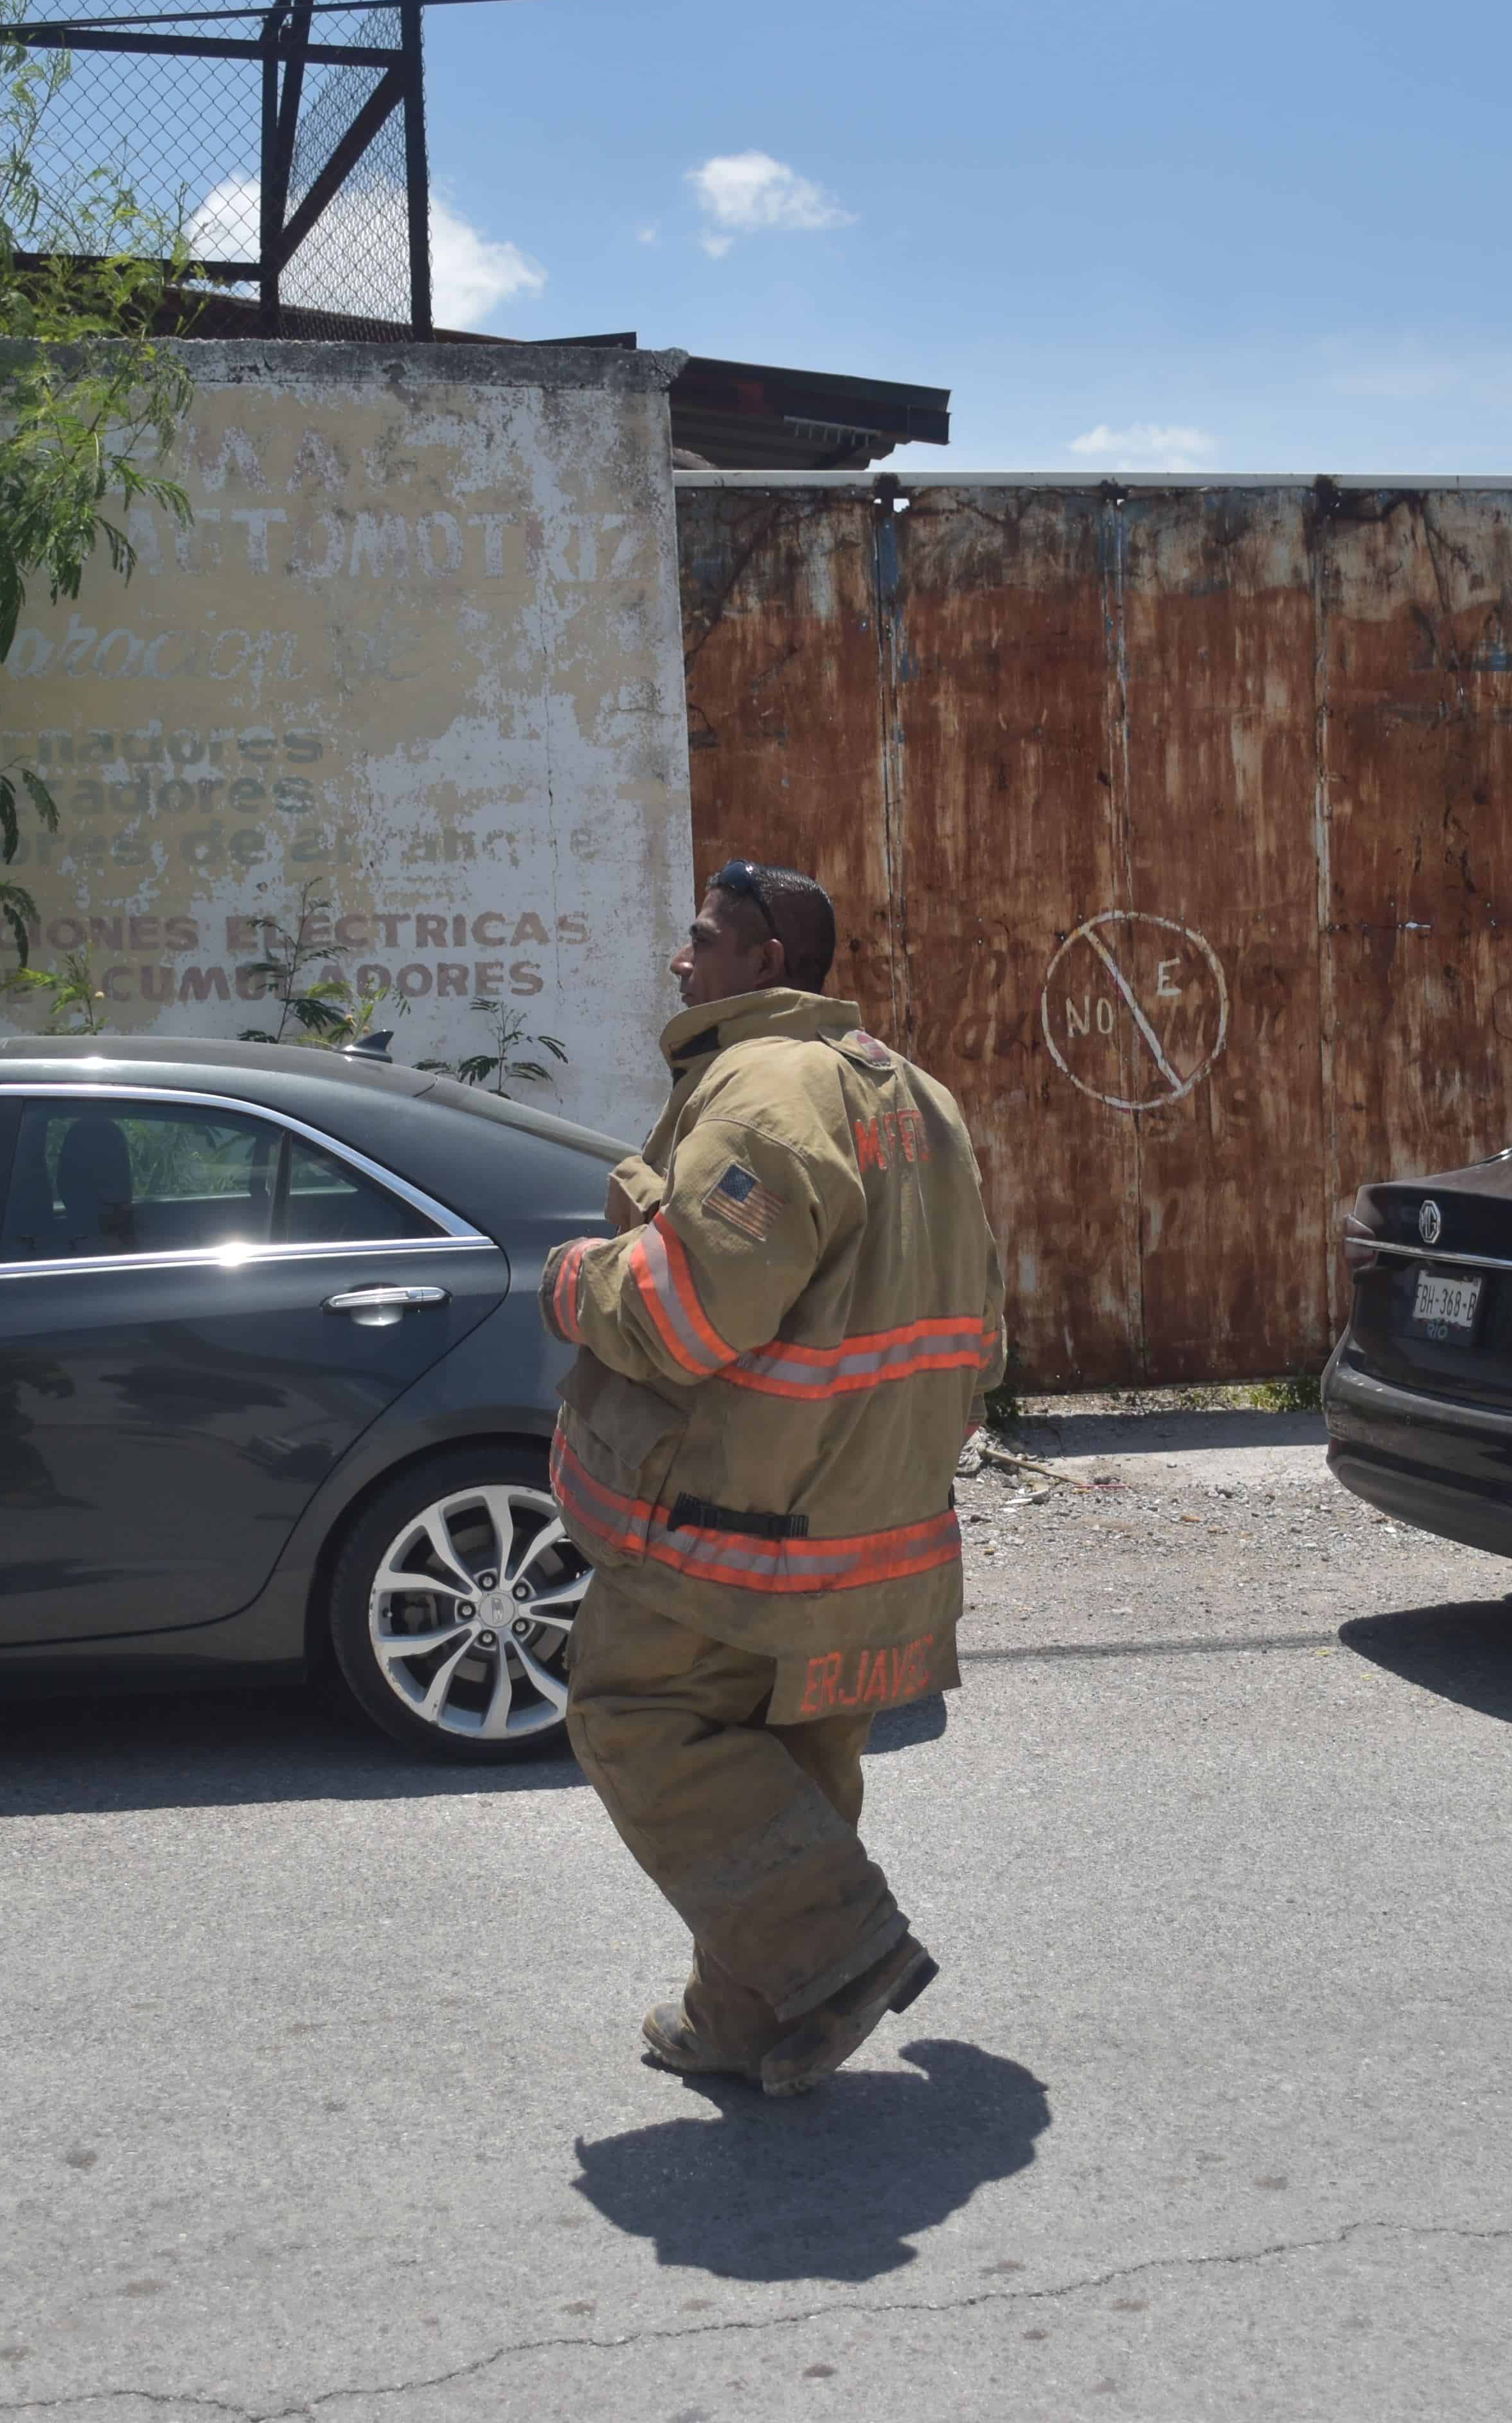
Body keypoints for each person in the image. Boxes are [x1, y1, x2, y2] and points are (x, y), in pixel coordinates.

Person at [540, 859, 1002, 2097]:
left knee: (634, 1716)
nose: (681, 963)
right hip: (875, 1531)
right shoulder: (924, 1099)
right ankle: (744, 2020)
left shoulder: (759, 1092)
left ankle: (843, 1949)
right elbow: (980, 1334)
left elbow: (688, 1320)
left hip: (736, 1527)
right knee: (793, 1765)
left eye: (704, 940)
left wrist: (581, 1279)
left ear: (769, 965)